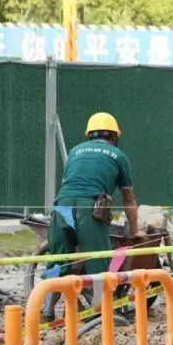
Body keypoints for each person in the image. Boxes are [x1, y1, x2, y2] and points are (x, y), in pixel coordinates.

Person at [46, 112, 139, 320]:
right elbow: (129, 199)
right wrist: (135, 231)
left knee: (57, 261)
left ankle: (47, 310)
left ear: (89, 135)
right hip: (90, 208)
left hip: (61, 205)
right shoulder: (118, 156)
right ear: (114, 136)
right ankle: (101, 313)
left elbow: (71, 182)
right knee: (98, 262)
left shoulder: (75, 151)